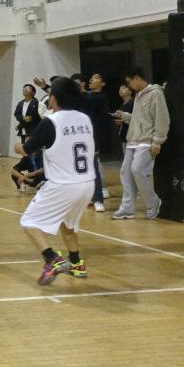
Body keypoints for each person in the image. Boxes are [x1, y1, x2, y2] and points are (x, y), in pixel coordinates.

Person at [16, 76, 96, 285]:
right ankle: (77, 263)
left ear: (53, 98)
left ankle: (52, 258)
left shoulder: (51, 121)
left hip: (63, 184)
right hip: (87, 183)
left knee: (29, 222)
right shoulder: (84, 119)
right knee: (68, 224)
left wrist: (17, 147)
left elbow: (27, 149)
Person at [111, 67, 169, 220]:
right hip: (133, 140)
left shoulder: (156, 93)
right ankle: (127, 208)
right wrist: (125, 116)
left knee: (137, 170)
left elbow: (162, 119)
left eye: (129, 82)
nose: (129, 86)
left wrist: (157, 141)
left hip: (147, 140)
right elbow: (139, 119)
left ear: (137, 78)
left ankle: (153, 203)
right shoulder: (138, 95)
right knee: (126, 172)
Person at [81, 72, 114, 211]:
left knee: (94, 167)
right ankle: (89, 196)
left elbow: (88, 100)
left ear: (103, 83)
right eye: (91, 78)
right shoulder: (85, 96)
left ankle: (98, 199)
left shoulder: (101, 97)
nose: (91, 80)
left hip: (95, 137)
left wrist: (80, 90)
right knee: (83, 169)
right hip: (81, 136)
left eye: (95, 78)